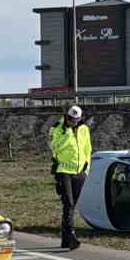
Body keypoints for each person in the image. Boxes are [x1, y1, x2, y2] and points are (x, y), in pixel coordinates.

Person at [49, 105, 92, 250]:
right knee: (68, 202)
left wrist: (87, 168)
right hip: (63, 171)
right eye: (71, 120)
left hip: (80, 172)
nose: (73, 122)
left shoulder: (84, 129)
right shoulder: (57, 129)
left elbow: (87, 148)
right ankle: (71, 235)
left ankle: (65, 240)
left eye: (76, 120)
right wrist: (67, 134)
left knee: (71, 206)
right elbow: (54, 148)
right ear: (67, 117)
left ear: (80, 119)